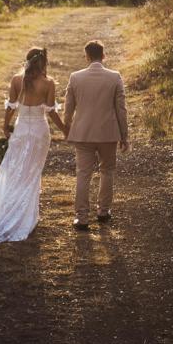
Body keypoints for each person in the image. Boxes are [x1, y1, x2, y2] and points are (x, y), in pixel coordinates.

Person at [0, 47, 68, 245]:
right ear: (44, 63)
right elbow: (51, 113)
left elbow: (11, 107)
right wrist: (66, 130)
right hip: (39, 134)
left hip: (21, 131)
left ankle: (11, 210)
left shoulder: (17, 80)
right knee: (32, 174)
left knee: (15, 170)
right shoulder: (48, 83)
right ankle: (26, 216)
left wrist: (5, 126)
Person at [63, 40, 128, 230]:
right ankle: (103, 212)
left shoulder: (75, 77)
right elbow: (121, 110)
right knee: (107, 172)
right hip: (108, 133)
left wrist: (67, 126)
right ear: (104, 55)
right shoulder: (115, 77)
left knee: (83, 174)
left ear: (87, 56)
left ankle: (82, 218)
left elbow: (68, 108)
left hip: (83, 133)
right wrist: (125, 136)